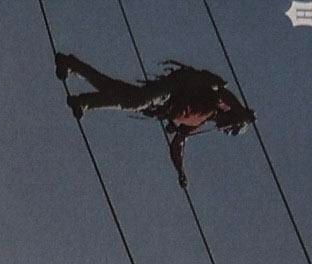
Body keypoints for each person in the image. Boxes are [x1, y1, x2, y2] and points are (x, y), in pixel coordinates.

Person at [52, 49, 256, 181]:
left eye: (226, 130)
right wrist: (241, 112)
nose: (223, 127)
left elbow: (178, 144)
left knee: (115, 91)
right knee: (133, 102)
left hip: (160, 107)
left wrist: (180, 170)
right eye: (228, 125)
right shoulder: (215, 101)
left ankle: (71, 65)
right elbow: (223, 92)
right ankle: (85, 102)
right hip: (170, 91)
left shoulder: (199, 121)